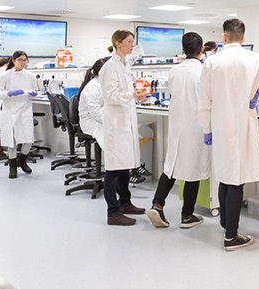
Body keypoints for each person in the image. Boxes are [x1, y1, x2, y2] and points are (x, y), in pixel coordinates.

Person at [198, 19, 259, 251]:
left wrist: (206, 128)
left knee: (225, 175)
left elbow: (204, 101)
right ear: (243, 38)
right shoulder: (256, 59)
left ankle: (226, 224)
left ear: (224, 36)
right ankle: (231, 236)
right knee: (236, 178)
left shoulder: (211, 62)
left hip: (220, 125)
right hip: (243, 126)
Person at [147, 32, 209, 229]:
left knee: (171, 165)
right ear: (202, 50)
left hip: (177, 124)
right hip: (196, 126)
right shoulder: (204, 71)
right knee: (193, 169)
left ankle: (157, 204)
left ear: (182, 50)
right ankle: (187, 216)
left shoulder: (174, 71)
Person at [100, 30, 148, 226]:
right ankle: (113, 213)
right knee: (113, 169)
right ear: (118, 43)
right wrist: (131, 96)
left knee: (124, 167)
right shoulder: (110, 67)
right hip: (116, 125)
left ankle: (125, 203)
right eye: (129, 42)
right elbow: (110, 97)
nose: (132, 45)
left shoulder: (124, 64)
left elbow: (125, 93)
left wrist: (135, 96)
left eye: (132, 42)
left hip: (125, 121)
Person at [0, 51, 38, 178]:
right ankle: (12, 166)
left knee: (28, 139)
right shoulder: (5, 76)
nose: (23, 62)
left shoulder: (30, 76)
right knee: (11, 141)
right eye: (20, 60)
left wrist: (34, 93)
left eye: (25, 60)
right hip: (10, 111)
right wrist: (9, 93)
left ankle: (22, 161)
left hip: (25, 110)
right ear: (13, 61)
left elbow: (35, 90)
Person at [78, 56, 109, 149]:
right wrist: (111, 122)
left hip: (101, 119)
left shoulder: (104, 84)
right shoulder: (92, 88)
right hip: (91, 122)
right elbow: (96, 113)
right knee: (114, 133)